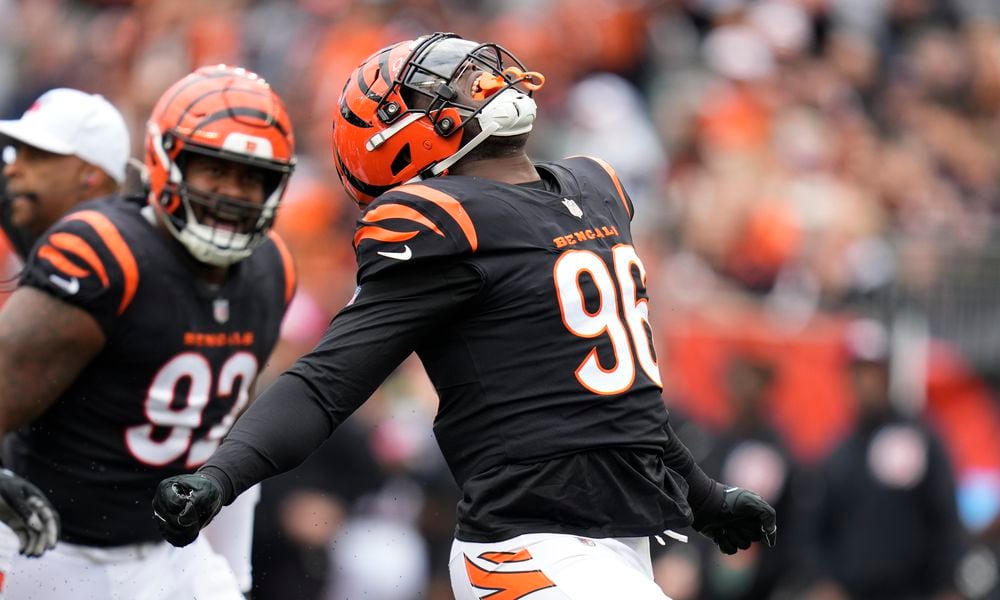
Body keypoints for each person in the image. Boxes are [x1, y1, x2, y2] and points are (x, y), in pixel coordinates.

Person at [154, 33, 776, 599]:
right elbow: (327, 380)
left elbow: (617, 403)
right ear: (395, 141)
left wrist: (704, 497)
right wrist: (221, 476)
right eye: (439, 86)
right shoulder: (441, 223)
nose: (478, 78)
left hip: (616, 544)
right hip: (528, 549)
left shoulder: (592, 187)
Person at [0, 64, 297, 600]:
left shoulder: (273, 267)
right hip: (48, 549)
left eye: (251, 176)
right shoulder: (107, 252)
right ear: (167, 161)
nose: (232, 193)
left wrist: (235, 572)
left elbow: (229, 431)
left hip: (170, 554)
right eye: (214, 170)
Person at [804, 319, 964, 600]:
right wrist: (823, 580)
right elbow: (817, 527)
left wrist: (947, 584)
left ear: (888, 375)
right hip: (852, 591)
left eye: (872, 372)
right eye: (858, 372)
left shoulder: (921, 438)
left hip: (915, 591)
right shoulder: (837, 452)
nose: (865, 382)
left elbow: (945, 515)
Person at [0, 88, 130, 259]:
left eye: (35, 156)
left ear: (91, 175)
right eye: (16, 153)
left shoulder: (115, 263)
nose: (10, 169)